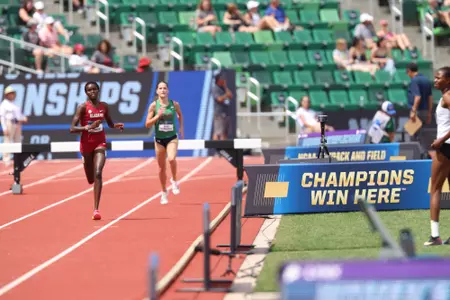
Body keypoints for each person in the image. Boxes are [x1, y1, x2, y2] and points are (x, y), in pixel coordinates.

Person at [69, 81, 124, 220]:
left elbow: (110, 123)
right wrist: (87, 127)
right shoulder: (82, 107)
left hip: (100, 142)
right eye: (89, 90)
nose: (92, 92)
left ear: (98, 90)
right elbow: (72, 128)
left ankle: (96, 209)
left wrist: (116, 125)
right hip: (86, 144)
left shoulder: (104, 106)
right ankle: (86, 162)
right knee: (90, 178)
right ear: (86, 93)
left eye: (94, 89)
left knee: (98, 172)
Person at [145, 81, 184, 205]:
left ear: (168, 91)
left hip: (172, 137)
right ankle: (163, 191)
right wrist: (158, 116)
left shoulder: (174, 104)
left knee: (172, 159)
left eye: (165, 88)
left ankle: (174, 180)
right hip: (159, 140)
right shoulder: (153, 106)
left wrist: (181, 127)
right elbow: (147, 124)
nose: (163, 90)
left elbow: (180, 115)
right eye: (160, 88)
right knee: (162, 168)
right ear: (157, 91)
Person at [425, 66, 450, 246]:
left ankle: (435, 236)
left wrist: (440, 140)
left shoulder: (447, 97)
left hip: (446, 148)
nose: (435, 80)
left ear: (447, 80)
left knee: (435, 189)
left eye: (438, 78)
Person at [0, 86, 28, 166]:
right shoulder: (4, 104)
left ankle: (18, 159)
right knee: (7, 142)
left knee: (18, 142)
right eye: (10, 93)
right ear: (6, 95)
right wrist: (4, 128)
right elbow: (2, 117)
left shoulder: (15, 104)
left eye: (12, 93)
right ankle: (6, 160)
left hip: (17, 124)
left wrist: (23, 118)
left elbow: (18, 115)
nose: (12, 95)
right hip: (9, 123)